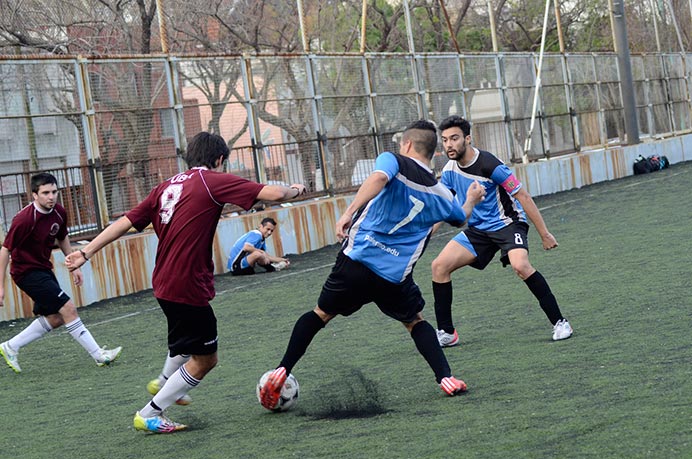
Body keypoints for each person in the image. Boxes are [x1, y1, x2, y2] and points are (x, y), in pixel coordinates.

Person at [65, 132, 306, 433]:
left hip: (165, 281)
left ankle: (165, 382)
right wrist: (296, 189)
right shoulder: (211, 181)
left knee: (186, 343)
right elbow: (276, 194)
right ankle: (151, 412)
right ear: (219, 160)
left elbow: (125, 223)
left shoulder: (165, 186)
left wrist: (85, 252)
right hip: (185, 283)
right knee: (206, 359)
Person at [258, 120, 486, 410]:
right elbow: (459, 217)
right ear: (433, 151)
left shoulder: (393, 160)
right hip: (393, 276)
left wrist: (348, 213)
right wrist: (472, 199)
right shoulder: (441, 194)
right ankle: (446, 377)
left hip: (357, 260)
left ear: (406, 145)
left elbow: (378, 178)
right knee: (414, 321)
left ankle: (282, 369)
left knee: (322, 314)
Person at [431, 115, 573, 347]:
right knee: (438, 266)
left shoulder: (489, 164)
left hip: (508, 224)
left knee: (521, 266)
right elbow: (444, 209)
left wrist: (544, 234)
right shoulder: (448, 171)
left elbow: (522, 196)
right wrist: (426, 236)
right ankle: (447, 332)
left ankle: (560, 322)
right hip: (478, 231)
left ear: (467, 138)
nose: (449, 145)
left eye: (454, 138)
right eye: (445, 140)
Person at [0, 173, 122, 373]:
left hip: (44, 269)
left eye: (54, 192)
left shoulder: (59, 212)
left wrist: (75, 264)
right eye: (46, 193)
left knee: (57, 317)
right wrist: (1, 288)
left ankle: (10, 346)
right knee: (68, 308)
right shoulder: (23, 219)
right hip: (26, 273)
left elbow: (63, 236)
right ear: (34, 195)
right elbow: (5, 250)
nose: (51, 197)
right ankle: (100, 355)